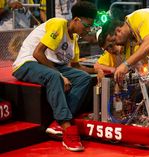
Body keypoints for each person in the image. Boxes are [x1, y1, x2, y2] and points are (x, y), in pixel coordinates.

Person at [12, 1, 100, 152]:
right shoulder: (59, 24)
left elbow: (76, 67)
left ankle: (58, 123)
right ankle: (66, 128)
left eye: (90, 27)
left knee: (84, 78)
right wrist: (59, 74)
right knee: (54, 76)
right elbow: (37, 53)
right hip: (28, 62)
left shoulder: (74, 39)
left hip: (49, 66)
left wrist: (98, 70)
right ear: (76, 20)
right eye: (86, 26)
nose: (88, 29)